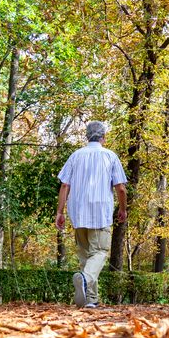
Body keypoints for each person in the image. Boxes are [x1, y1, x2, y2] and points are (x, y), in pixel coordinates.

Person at [55, 121, 127, 308]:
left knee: (85, 256)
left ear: (87, 136)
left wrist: (59, 212)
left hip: (78, 212)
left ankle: (91, 300)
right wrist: (122, 209)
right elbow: (120, 187)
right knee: (100, 252)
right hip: (100, 212)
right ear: (103, 137)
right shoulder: (110, 156)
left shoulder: (75, 156)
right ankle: (85, 279)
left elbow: (64, 185)